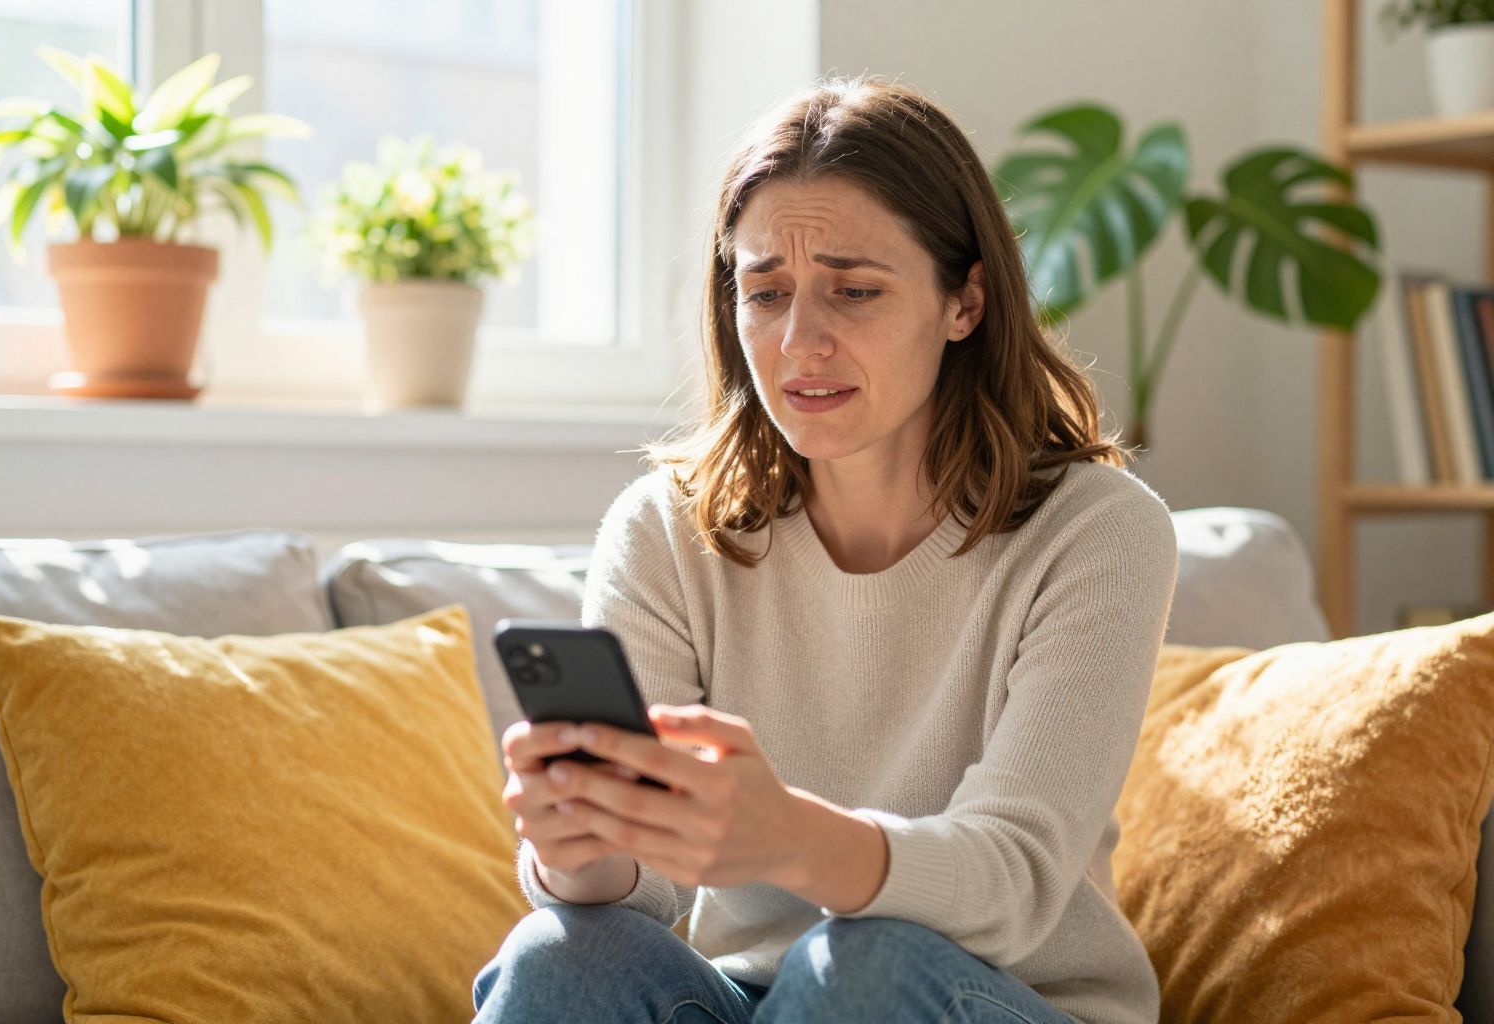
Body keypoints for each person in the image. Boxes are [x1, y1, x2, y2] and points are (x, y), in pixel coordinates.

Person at [473, 75, 1176, 1024]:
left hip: (985, 996)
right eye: (766, 293)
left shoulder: (1095, 531)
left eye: (853, 291)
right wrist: (578, 849)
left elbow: (1014, 882)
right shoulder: (666, 532)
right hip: (757, 998)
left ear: (965, 302)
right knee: (564, 953)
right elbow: (641, 891)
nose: (801, 342)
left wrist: (788, 836)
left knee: (858, 965)